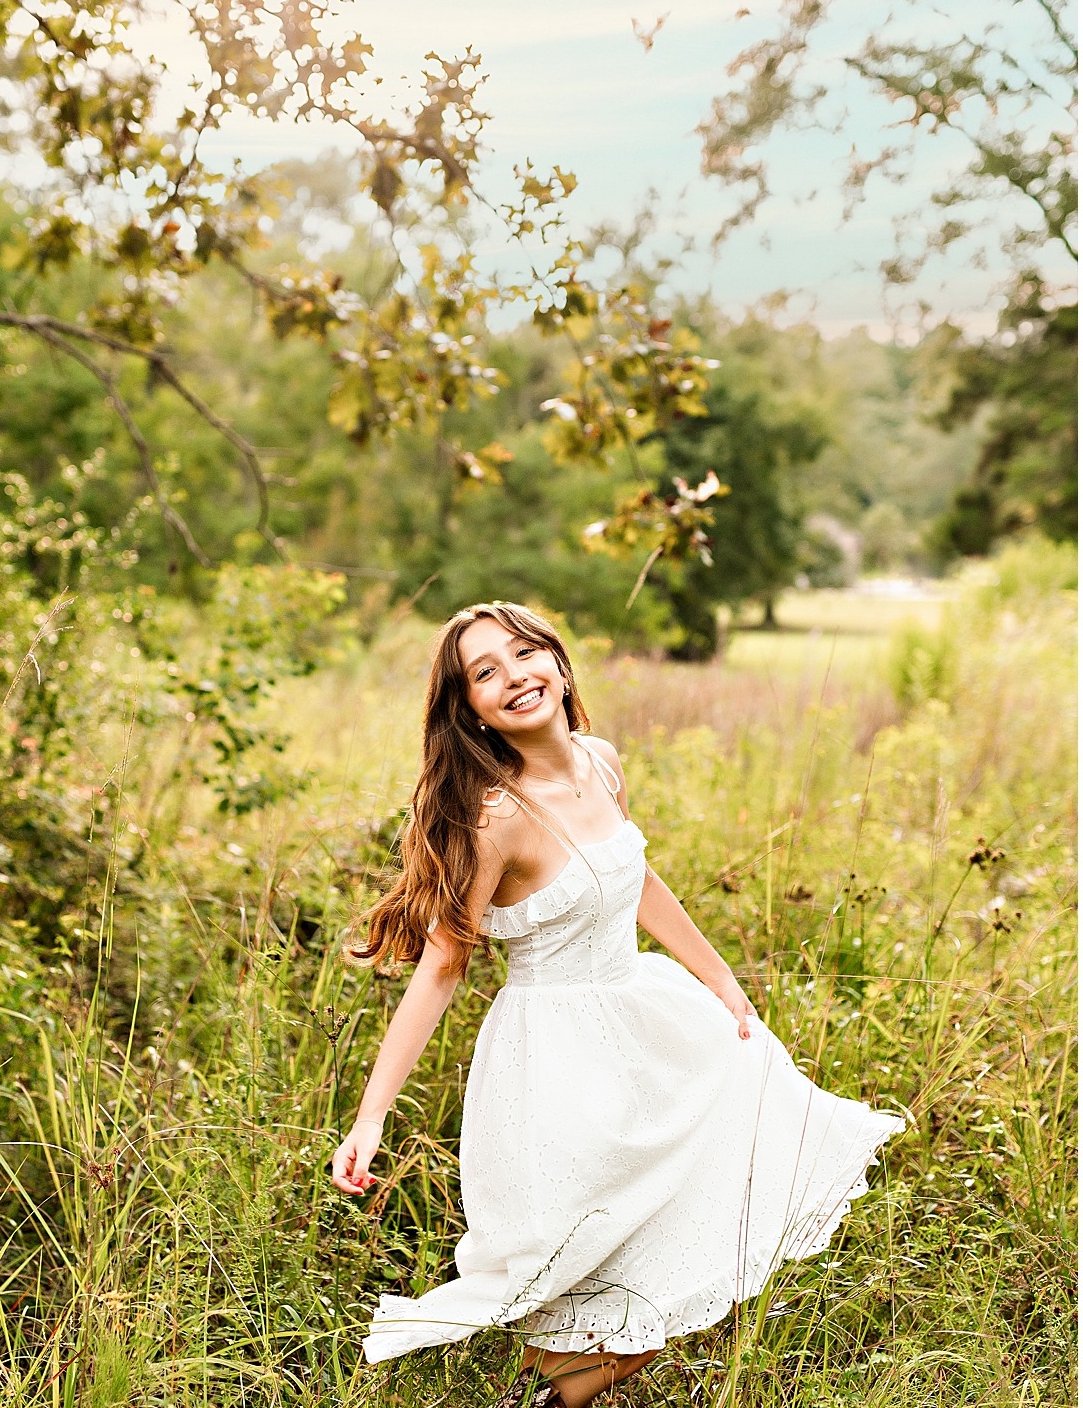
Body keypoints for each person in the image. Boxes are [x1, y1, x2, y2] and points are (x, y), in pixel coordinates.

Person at [331, 601, 905, 1408]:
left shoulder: (601, 763)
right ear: (472, 711)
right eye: (484, 673)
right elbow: (442, 965)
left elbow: (635, 875)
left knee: (702, 1229)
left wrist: (718, 976)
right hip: (554, 1063)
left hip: (644, 1024)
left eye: (524, 652)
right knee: (595, 1275)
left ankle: (549, 1395)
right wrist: (369, 1116)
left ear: (560, 666)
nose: (513, 676)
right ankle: (548, 1391)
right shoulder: (497, 818)